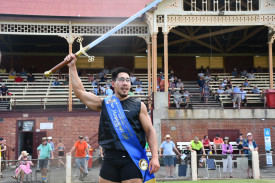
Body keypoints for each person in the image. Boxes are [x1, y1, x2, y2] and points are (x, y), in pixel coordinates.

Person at [65, 53, 159, 183]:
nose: (125, 83)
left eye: (127, 80)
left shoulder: (139, 105)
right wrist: (72, 66)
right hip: (109, 159)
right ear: (113, 83)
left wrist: (155, 157)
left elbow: (150, 131)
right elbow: (80, 93)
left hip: (131, 159)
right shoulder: (104, 104)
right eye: (121, 80)